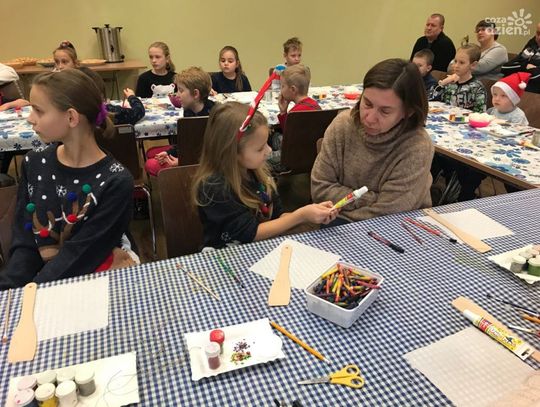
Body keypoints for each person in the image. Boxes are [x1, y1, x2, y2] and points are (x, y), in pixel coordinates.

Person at [0, 69, 135, 289]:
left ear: (71, 117)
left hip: (95, 283)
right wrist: (10, 289)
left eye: (38, 110)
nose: (30, 118)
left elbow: (79, 256)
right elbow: (25, 241)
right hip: (45, 283)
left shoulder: (116, 181)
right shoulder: (34, 162)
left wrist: (31, 293)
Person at [192, 102, 336, 249]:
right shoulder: (214, 186)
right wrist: (300, 216)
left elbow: (278, 217)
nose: (269, 151)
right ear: (232, 152)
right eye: (260, 148)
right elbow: (250, 233)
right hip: (227, 256)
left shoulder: (256, 173)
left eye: (267, 143)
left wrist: (312, 215)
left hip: (264, 248)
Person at [311, 58, 434, 225]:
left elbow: (389, 214)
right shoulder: (342, 125)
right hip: (337, 219)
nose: (369, 118)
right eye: (367, 104)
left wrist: (346, 203)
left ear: (408, 112)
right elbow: (319, 189)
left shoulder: (417, 146)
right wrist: (372, 198)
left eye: (385, 111)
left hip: (398, 227)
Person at [144, 67, 215, 176]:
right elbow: (187, 142)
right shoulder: (189, 110)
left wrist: (182, 162)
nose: (177, 95)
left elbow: (212, 153)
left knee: (150, 164)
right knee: (151, 153)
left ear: (195, 94)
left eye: (181, 90)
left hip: (203, 163)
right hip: (192, 153)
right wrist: (168, 153)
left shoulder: (213, 116)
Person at [267, 64, 320, 173]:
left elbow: (288, 139)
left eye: (282, 86)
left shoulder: (295, 113)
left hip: (293, 158)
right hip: (311, 155)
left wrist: (284, 113)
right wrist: (283, 112)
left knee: (264, 156)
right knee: (276, 136)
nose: (281, 90)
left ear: (293, 89)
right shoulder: (316, 106)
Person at [78, 66, 145, 125]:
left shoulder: (75, 118)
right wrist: (132, 97)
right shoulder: (109, 112)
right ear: (101, 95)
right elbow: (138, 112)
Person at [431, 44, 487, 113]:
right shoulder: (448, 83)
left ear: (473, 65)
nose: (456, 65)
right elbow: (430, 100)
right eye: (455, 61)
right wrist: (443, 83)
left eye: (461, 63)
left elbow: (480, 114)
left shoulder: (478, 88)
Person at [501, 22, 540, 93]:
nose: (539, 37)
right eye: (538, 33)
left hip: (532, 94)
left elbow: (535, 77)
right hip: (515, 89)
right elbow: (505, 67)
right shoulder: (532, 46)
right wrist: (525, 66)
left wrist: (518, 68)